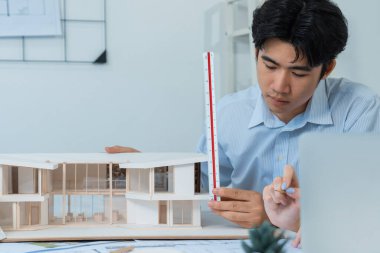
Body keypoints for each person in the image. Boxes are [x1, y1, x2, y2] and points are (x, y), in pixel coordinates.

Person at [107, 0, 380, 235]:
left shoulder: (359, 112)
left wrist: (284, 221)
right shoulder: (228, 114)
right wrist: (154, 173)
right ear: (256, 52)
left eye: (298, 73)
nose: (279, 86)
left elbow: (367, 210)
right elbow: (204, 183)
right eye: (269, 65)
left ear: (327, 68)